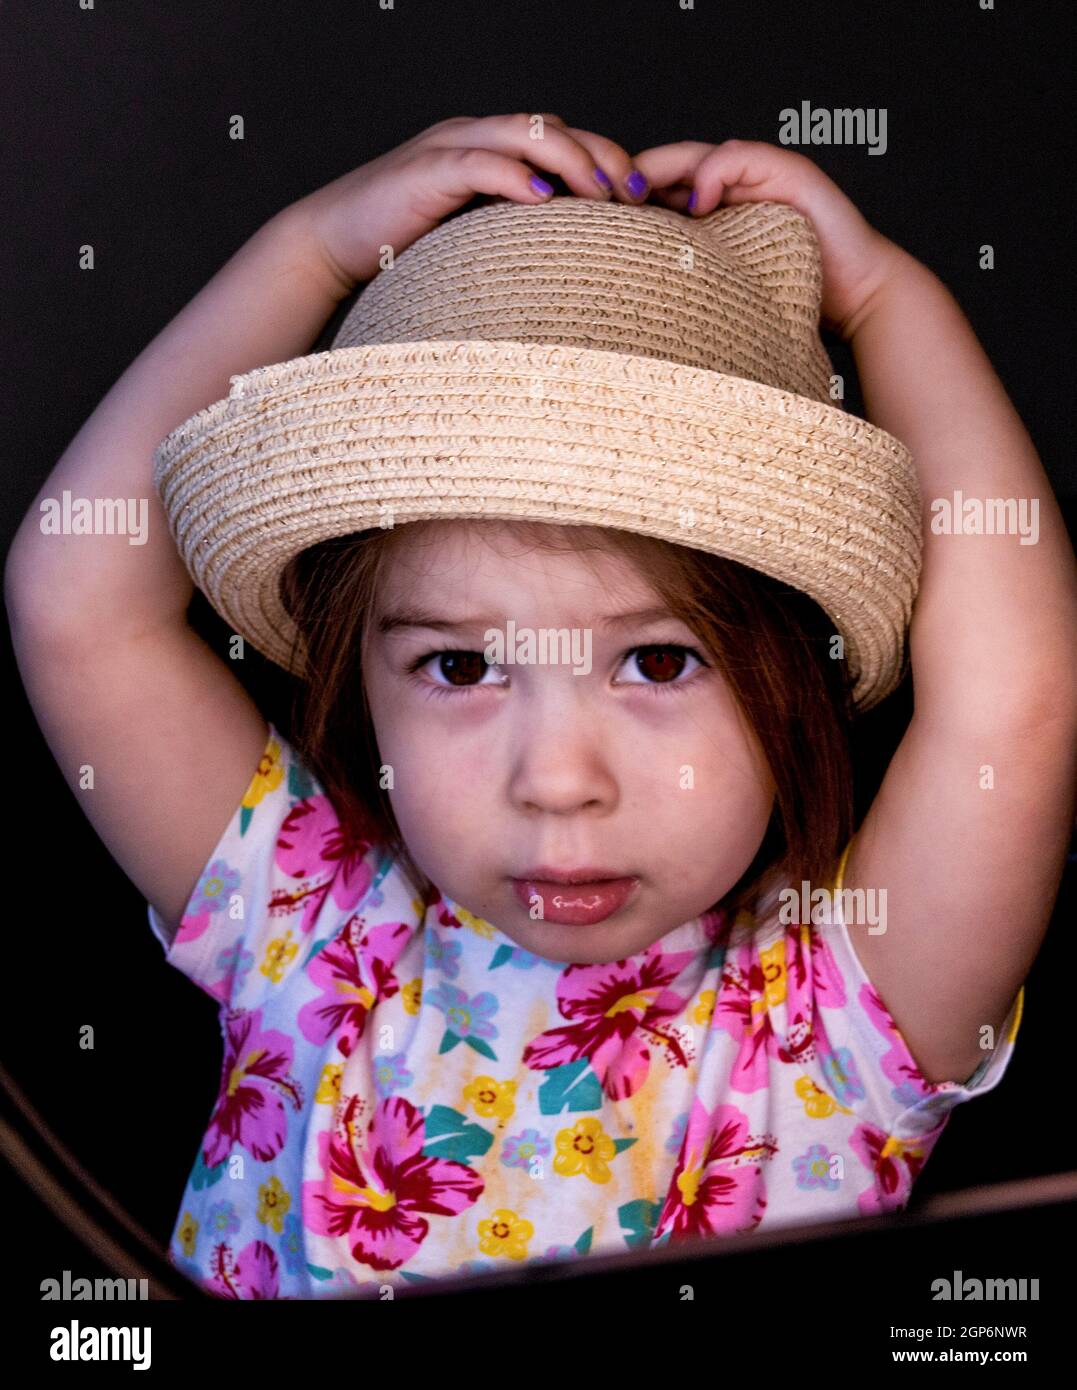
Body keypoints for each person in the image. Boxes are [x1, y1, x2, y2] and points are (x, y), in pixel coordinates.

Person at [6, 114, 1075, 1300]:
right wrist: (308, 253)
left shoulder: (836, 1021)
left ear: (794, 672)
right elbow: (76, 607)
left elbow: (1015, 703)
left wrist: (884, 299)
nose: (558, 778)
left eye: (660, 662)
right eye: (461, 668)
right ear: (359, 680)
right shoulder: (311, 925)